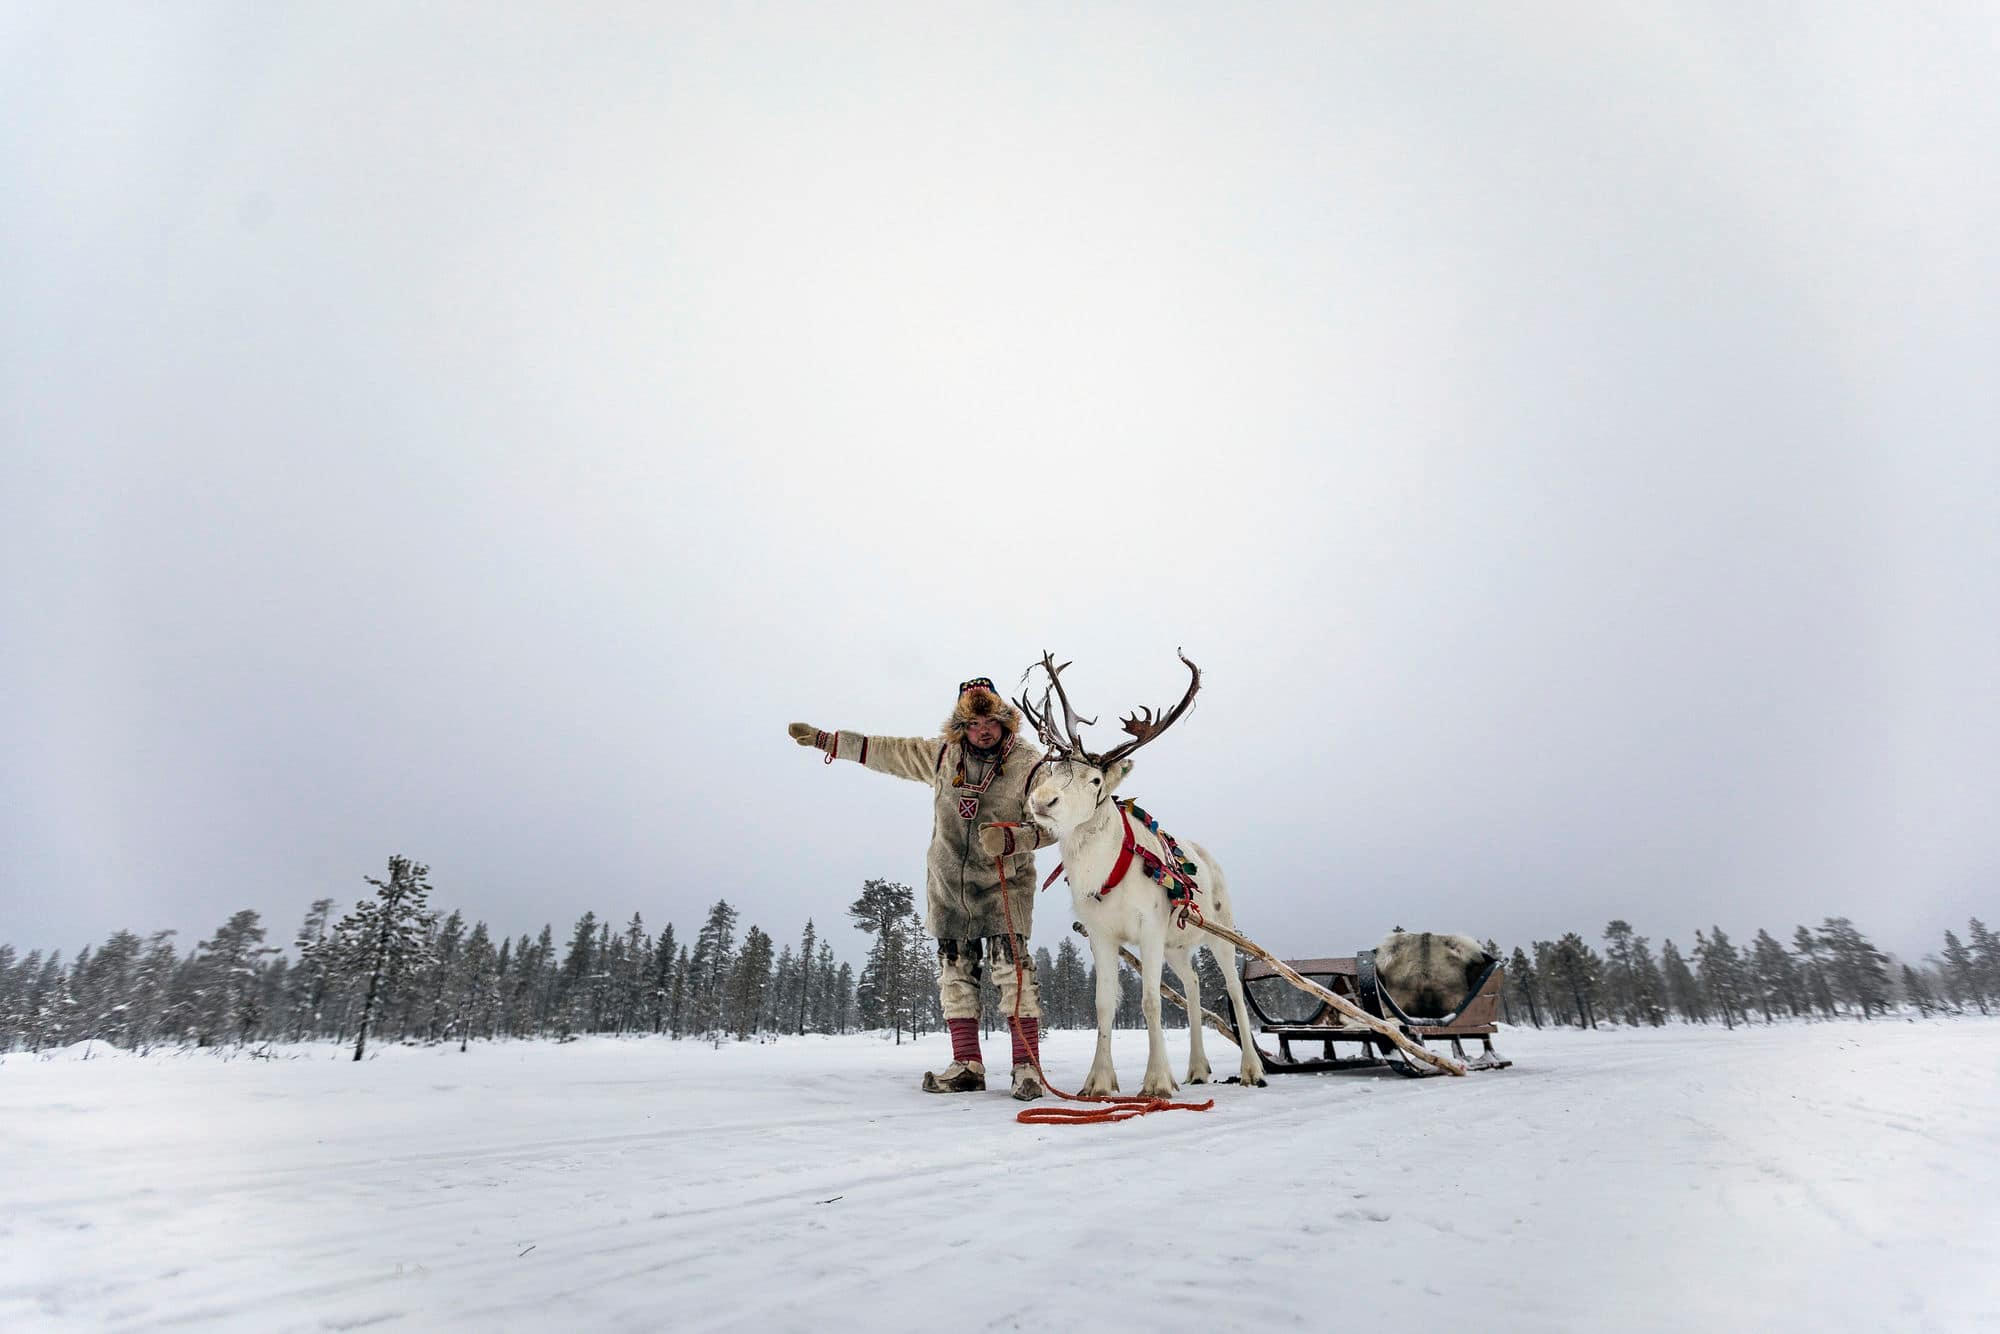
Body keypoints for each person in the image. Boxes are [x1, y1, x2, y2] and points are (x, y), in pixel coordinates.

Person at [789, 677, 1057, 1100]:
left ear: (1003, 720)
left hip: (1005, 883)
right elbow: (885, 751)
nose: (982, 730)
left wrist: (1015, 840)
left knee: (1014, 973)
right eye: (972, 723)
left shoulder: (1031, 763)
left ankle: (1027, 1068)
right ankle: (967, 1063)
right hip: (949, 884)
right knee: (955, 973)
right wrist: (828, 741)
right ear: (961, 727)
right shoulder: (941, 754)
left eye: (989, 720)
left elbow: (1055, 821)